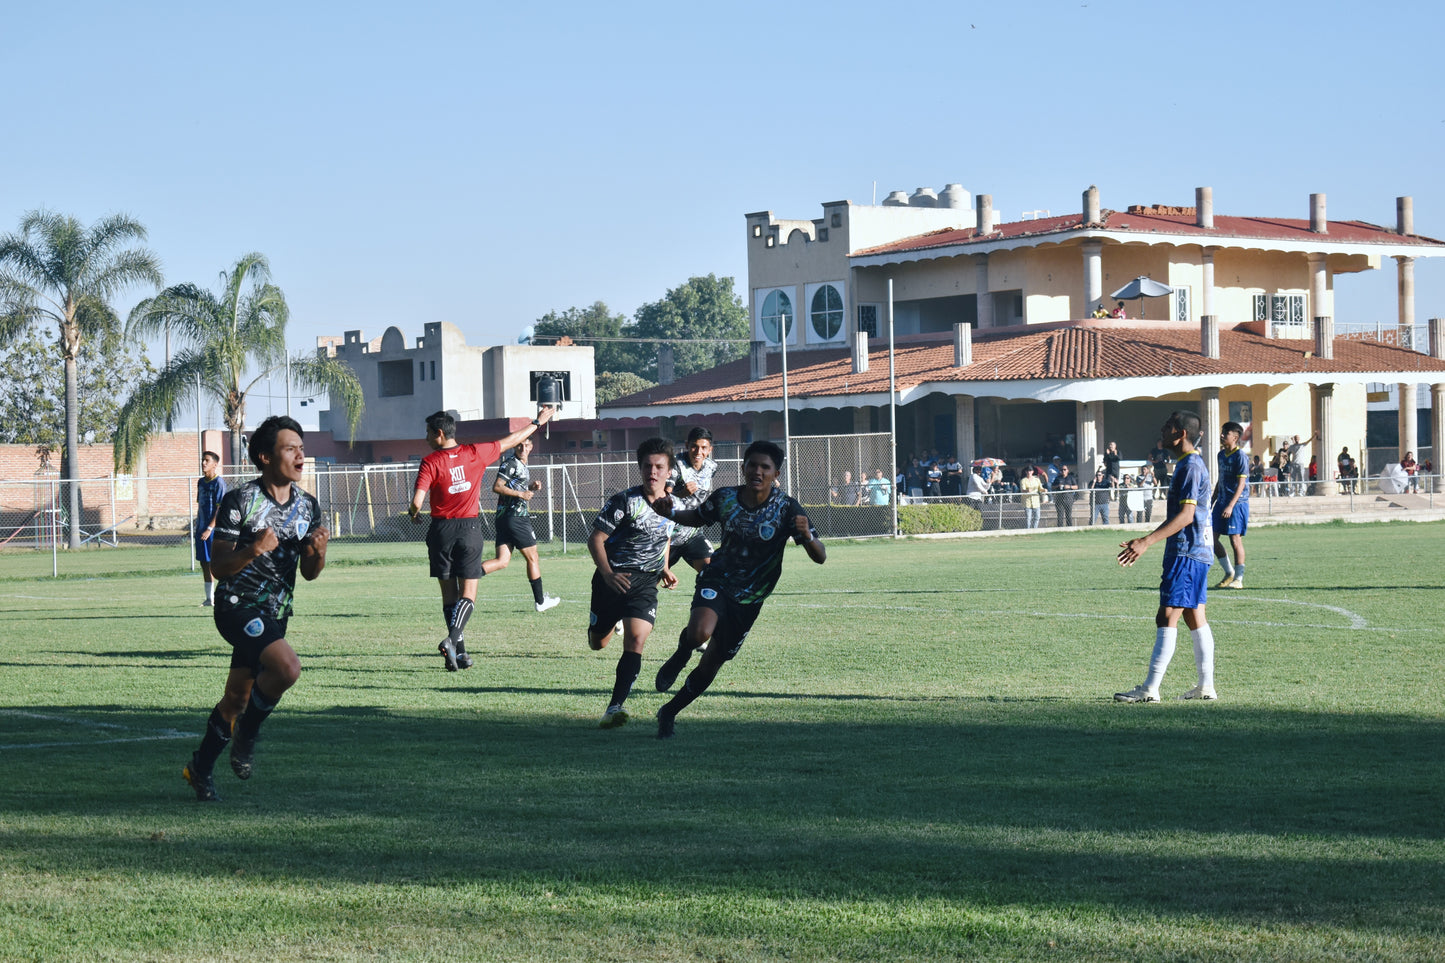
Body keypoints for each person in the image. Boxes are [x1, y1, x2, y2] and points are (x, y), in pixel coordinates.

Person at [182, 416, 328, 802]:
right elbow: (218, 566)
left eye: (301, 446)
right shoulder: (241, 501)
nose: (300, 454)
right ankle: (246, 737)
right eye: (289, 447)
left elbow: (310, 574)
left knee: (236, 700)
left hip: (274, 614)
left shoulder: (308, 507)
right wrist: (254, 549)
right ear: (265, 457)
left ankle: (200, 768)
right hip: (235, 607)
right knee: (288, 668)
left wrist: (319, 553)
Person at [650, 441, 827, 738]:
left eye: (765, 467)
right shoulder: (726, 497)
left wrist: (807, 536)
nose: (757, 471)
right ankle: (681, 654)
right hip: (717, 579)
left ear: (776, 473)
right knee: (699, 632)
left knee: (712, 665)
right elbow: (696, 517)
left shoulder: (786, 508)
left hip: (750, 599)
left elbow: (820, 556)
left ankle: (670, 711)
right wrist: (669, 512)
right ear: (743, 468)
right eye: (752, 465)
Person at [408, 405, 554, 672]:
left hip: (440, 531)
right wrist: (538, 422)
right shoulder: (474, 453)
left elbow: (417, 501)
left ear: (439, 433)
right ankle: (453, 644)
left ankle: (460, 653)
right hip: (469, 530)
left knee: (449, 596)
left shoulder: (430, 462)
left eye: (428, 433)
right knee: (469, 594)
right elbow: (511, 440)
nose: (426, 438)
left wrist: (413, 513)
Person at [1114, 410, 1218, 703]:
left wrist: (1146, 541)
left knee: (1167, 614)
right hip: (1197, 550)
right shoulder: (1190, 464)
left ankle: (1150, 689)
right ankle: (1205, 686)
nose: (1162, 430)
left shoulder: (1190, 467)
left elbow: (1186, 515)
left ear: (1181, 433)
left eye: (1168, 426)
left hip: (1186, 551)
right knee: (1194, 615)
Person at [587, 438, 679, 728]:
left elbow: (665, 537)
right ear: (640, 469)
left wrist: (664, 567)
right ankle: (607, 626)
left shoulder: (674, 505)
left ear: (668, 471)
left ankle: (614, 707)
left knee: (636, 639)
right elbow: (595, 540)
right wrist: (607, 574)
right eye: (647, 466)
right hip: (611, 580)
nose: (653, 471)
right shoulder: (625, 501)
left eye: (659, 467)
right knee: (597, 643)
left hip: (644, 584)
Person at [482, 436, 561, 612]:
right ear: (514, 447)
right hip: (516, 518)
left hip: (505, 519)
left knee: (502, 561)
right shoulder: (511, 463)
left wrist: (530, 488)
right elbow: (497, 486)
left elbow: (515, 488)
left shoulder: (522, 465)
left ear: (531, 447)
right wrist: (521, 495)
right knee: (533, 557)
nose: (523, 448)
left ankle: (468, 574)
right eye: (519, 445)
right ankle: (540, 602)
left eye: (526, 445)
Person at [666, 427, 721, 572]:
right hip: (668, 534)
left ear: (710, 449)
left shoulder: (712, 467)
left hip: (692, 533)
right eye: (694, 447)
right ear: (686, 446)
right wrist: (681, 493)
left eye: (703, 448)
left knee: (712, 573)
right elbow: (663, 498)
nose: (698, 452)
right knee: (650, 582)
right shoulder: (675, 465)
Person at [1211, 421, 1250, 590]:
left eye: (1225, 433)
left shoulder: (1240, 456)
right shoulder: (1221, 455)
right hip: (1221, 502)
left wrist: (1231, 506)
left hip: (1237, 504)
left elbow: (1242, 483)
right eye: (1222, 432)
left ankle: (1239, 579)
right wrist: (1212, 500)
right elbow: (1221, 479)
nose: (1221, 435)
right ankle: (1229, 572)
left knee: (1235, 540)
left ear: (1235, 437)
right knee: (1210, 539)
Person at [195, 450, 228, 607]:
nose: (203, 463)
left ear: (215, 464)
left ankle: (227, 596)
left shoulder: (219, 483)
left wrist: (209, 528)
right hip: (201, 530)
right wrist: (199, 527)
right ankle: (210, 599)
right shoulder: (201, 482)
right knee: (204, 563)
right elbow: (200, 505)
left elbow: (219, 508)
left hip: (213, 530)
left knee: (217, 564)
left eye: (207, 460)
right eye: (203, 460)